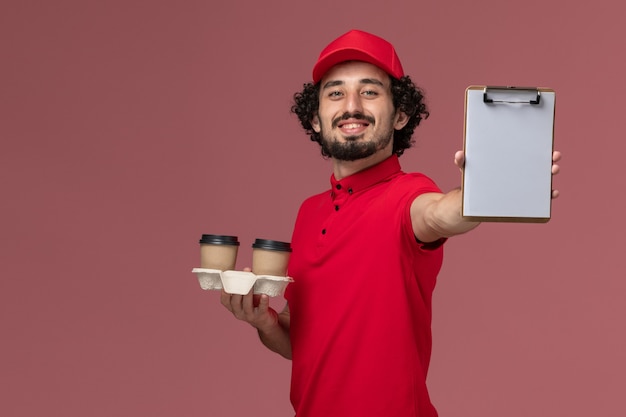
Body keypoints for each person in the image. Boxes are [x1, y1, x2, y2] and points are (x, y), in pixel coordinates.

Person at [221, 29, 561, 417]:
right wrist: (263, 323)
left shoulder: (407, 195)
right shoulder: (308, 212)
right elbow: (304, 342)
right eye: (335, 93)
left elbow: (440, 213)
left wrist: (484, 192)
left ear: (400, 114)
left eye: (369, 92)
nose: (351, 105)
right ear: (316, 119)